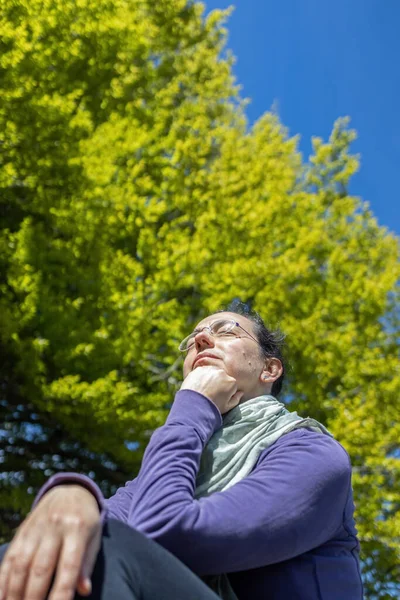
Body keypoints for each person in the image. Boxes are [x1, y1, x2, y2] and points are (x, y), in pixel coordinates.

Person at [0, 305, 364, 600]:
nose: (201, 339)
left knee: (105, 554)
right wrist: (71, 494)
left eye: (226, 331)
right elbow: (112, 516)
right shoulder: (180, 460)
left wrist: (193, 406)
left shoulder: (313, 454)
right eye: (192, 339)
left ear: (269, 369)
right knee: (29, 554)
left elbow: (161, 534)